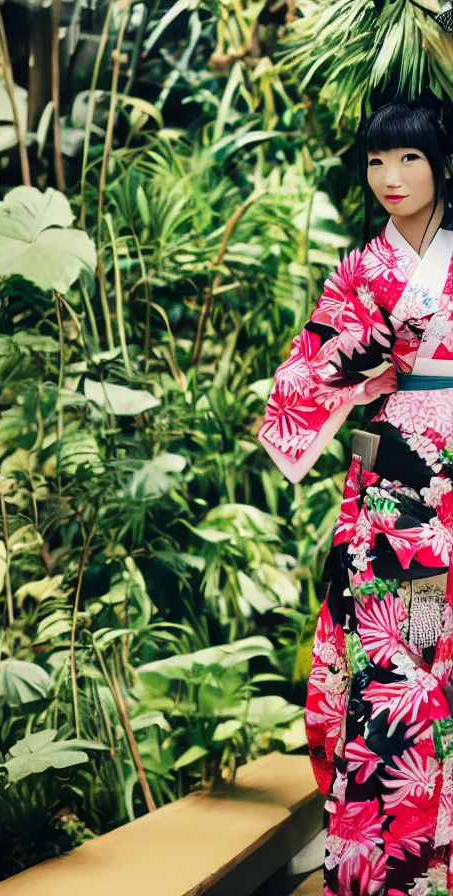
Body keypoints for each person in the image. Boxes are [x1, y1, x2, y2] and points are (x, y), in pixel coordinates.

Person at [257, 97, 453, 896]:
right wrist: (358, 354)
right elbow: (298, 381)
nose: (390, 178)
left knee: (440, 659)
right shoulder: (360, 269)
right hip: (393, 499)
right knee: (399, 667)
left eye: (408, 158)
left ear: (443, 162)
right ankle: (391, 863)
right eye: (376, 161)